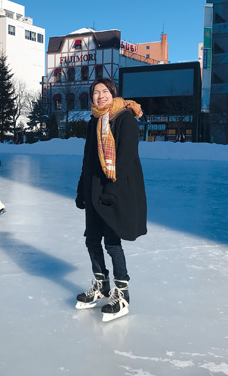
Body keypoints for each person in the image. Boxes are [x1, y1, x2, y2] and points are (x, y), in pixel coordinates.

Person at [75, 78, 147, 322]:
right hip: (94, 187)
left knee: (112, 242)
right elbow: (88, 159)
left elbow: (125, 159)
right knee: (92, 239)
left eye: (104, 91)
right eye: (96, 92)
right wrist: (81, 189)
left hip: (116, 188)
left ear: (113, 94)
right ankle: (101, 285)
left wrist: (112, 190)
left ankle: (122, 293)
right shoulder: (94, 121)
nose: (100, 96)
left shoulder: (124, 118)